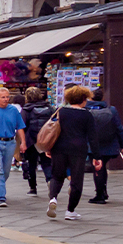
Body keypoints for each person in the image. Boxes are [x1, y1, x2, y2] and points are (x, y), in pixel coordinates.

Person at [44, 84, 97, 220]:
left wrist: (49, 148)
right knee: (76, 180)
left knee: (57, 176)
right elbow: (92, 137)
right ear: (83, 99)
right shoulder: (87, 115)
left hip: (59, 148)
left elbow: (53, 131)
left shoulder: (60, 111)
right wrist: (97, 156)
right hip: (78, 150)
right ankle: (70, 211)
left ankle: (53, 199)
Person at [87, 90, 123, 204]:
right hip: (109, 144)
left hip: (92, 145)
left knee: (97, 169)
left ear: (90, 98)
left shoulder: (86, 110)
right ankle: (103, 191)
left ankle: (100, 194)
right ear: (102, 98)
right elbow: (119, 129)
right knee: (102, 168)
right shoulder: (111, 110)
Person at [20, 87, 53, 197]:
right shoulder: (49, 108)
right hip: (45, 140)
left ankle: (33, 188)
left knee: (31, 164)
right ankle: (49, 180)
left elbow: (22, 125)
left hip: (31, 140)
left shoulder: (26, 109)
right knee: (46, 162)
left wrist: (22, 141)